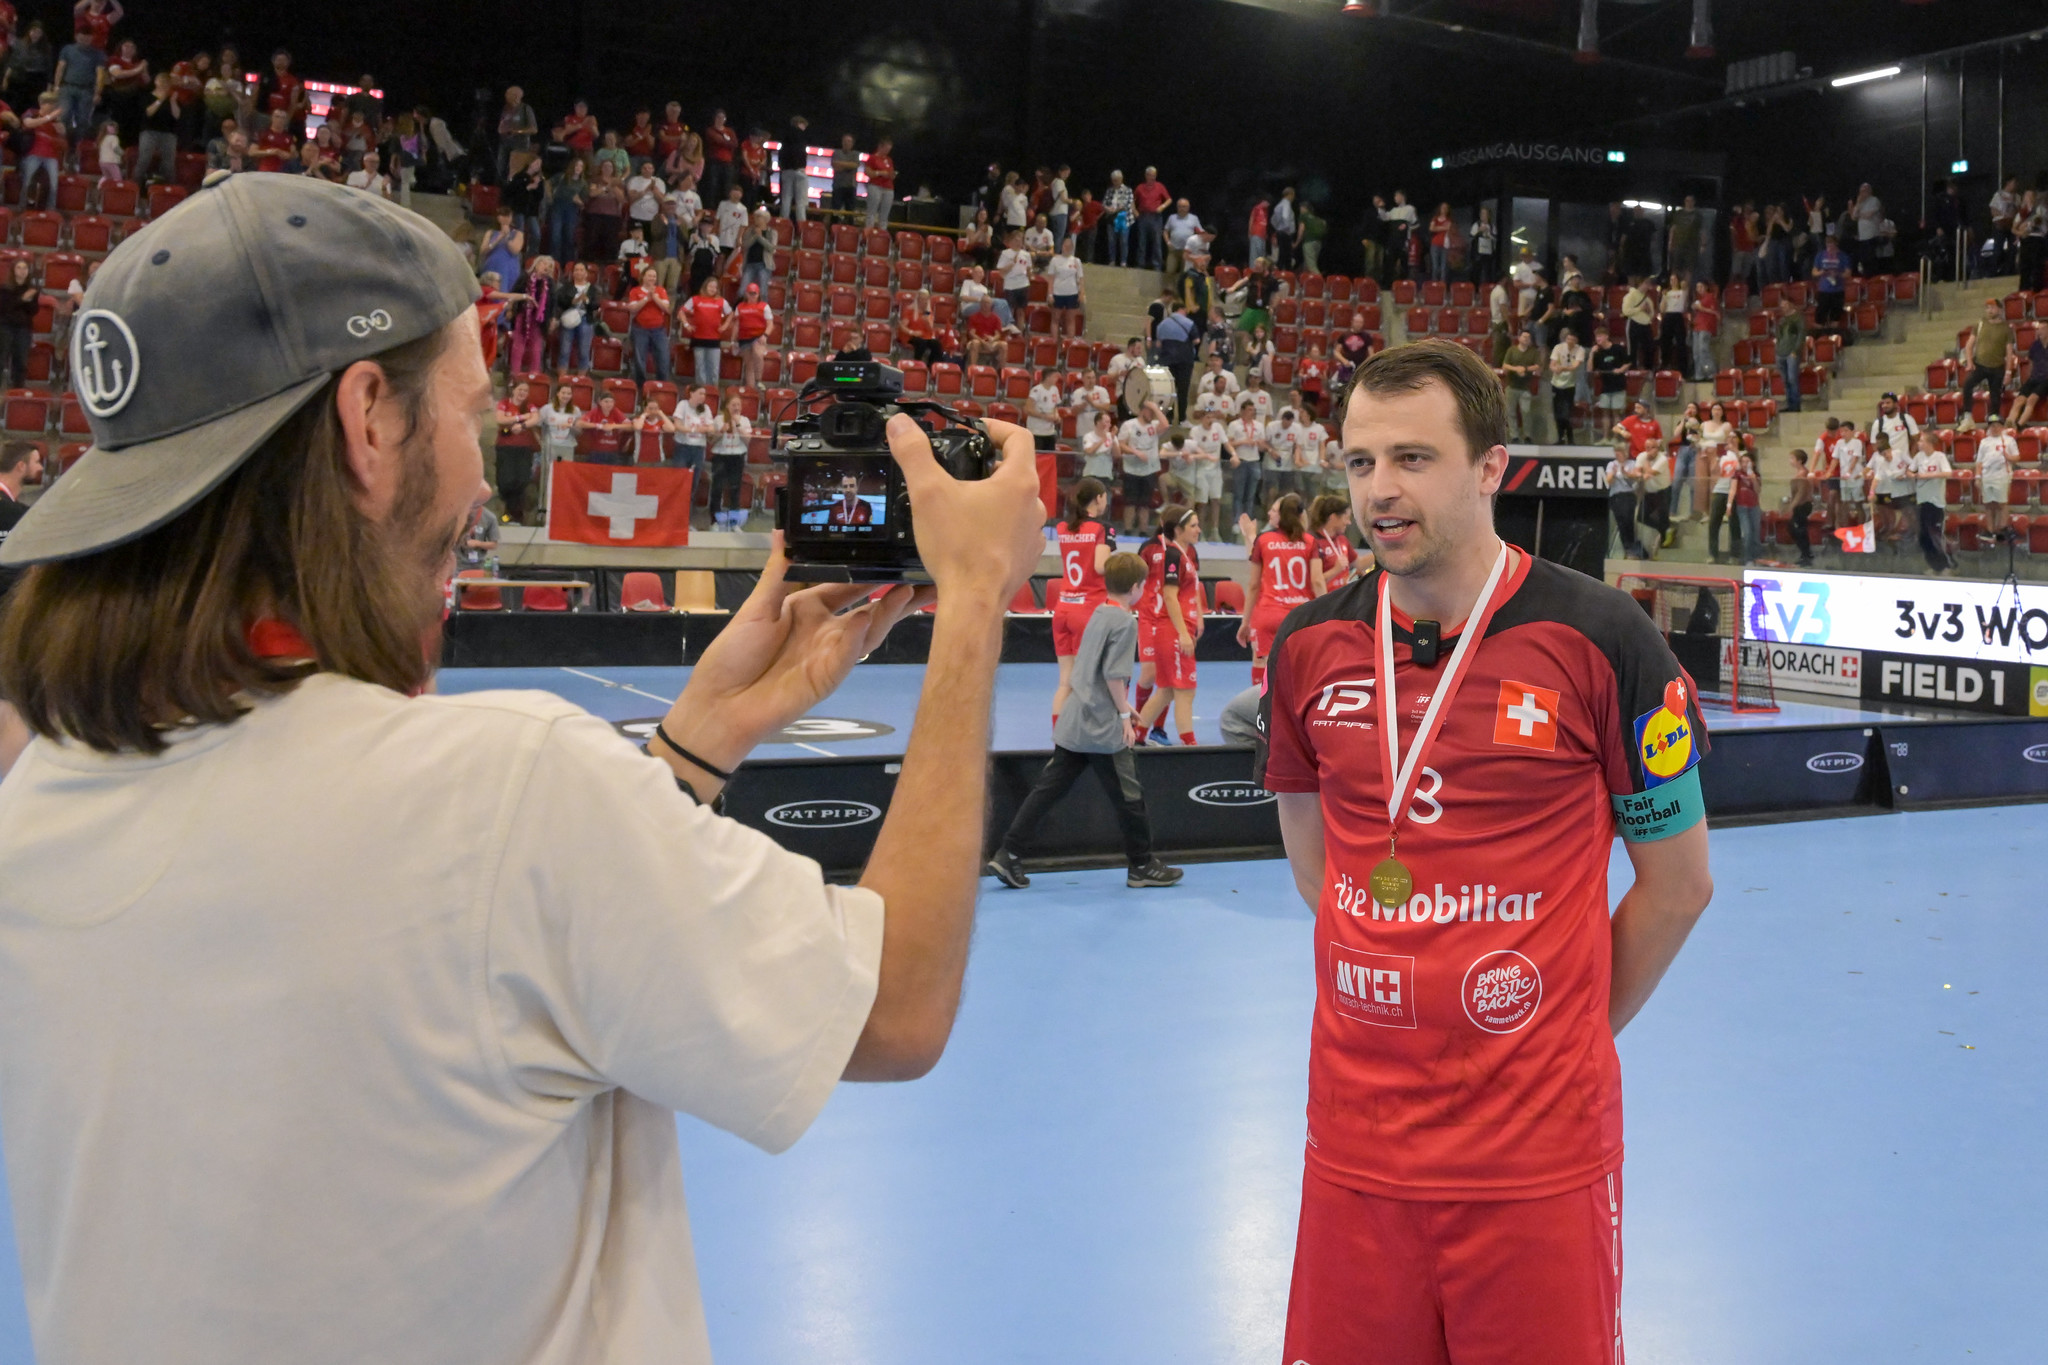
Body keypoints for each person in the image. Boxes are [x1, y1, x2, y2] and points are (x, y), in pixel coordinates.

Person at [0, 170, 1055, 1365]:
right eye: (473, 413)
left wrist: (694, 742)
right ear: (369, 420)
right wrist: (974, 598)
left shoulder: (37, 803)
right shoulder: (507, 788)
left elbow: (461, 952)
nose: (478, 475)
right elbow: (896, 1005)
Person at [1257, 338, 1712, 1365]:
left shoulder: (1604, 640)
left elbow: (1679, 886)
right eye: (1360, 461)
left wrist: (1556, 1035)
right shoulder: (1307, 648)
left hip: (1535, 1157)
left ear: (1490, 468)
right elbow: (1320, 872)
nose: (1379, 489)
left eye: (1412, 458)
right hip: (1356, 1149)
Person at [987, 550, 1184, 891]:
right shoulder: (1125, 622)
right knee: (1130, 795)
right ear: (1136, 588)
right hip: (1103, 726)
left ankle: (1009, 853)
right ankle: (1141, 865)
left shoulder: (1099, 612)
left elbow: (1093, 668)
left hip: (1076, 717)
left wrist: (1124, 704)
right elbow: (1113, 674)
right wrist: (1124, 713)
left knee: (1047, 790)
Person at [1134, 505, 1204, 747]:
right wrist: (1183, 634)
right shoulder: (1173, 555)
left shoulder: (1184, 554)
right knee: (1185, 690)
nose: (1199, 530)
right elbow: (1170, 596)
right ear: (1178, 529)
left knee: (1165, 690)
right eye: (1193, 525)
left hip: (1175, 628)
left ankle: (1137, 736)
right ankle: (1190, 745)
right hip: (1173, 630)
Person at [1239, 491, 1324, 689]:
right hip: (1300, 615)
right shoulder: (1310, 542)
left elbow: (1253, 585)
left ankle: (1261, 706)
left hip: (1269, 613)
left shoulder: (1264, 540)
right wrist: (1328, 613)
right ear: (1301, 515)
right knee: (1301, 670)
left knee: (1264, 667)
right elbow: (1317, 581)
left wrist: (1245, 621)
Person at [1050, 477, 1114, 723]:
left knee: (1065, 682)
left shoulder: (1063, 527)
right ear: (1098, 498)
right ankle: (1084, 733)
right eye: (1105, 496)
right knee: (1088, 680)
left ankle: (1059, 736)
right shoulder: (1102, 528)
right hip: (1088, 610)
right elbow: (1100, 566)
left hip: (1063, 607)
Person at [1961, 298, 2017, 425]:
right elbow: (1969, 345)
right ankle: (1967, 415)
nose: (1989, 310)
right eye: (1987, 308)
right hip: (1980, 364)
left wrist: (2008, 372)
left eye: (1992, 307)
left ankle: (1993, 420)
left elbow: (2009, 353)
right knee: (1967, 385)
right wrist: (1969, 362)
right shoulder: (1980, 324)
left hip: (1997, 366)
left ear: (2000, 309)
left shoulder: (2006, 328)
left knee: (1995, 395)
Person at [493, 379, 542, 523]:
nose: (522, 393)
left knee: (522, 480)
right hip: (505, 448)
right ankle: (510, 514)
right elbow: (500, 419)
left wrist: (522, 426)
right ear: (513, 390)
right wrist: (521, 417)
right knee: (506, 481)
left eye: (525, 391)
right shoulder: (504, 403)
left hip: (524, 448)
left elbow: (535, 419)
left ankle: (512, 515)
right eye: (520, 389)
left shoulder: (530, 406)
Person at [0, 440, 44, 600]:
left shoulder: (17, 510)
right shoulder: (15, 513)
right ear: (21, 466)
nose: (41, 468)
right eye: (37, 462)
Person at [1118, 399, 1167, 536]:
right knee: (1130, 502)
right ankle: (1128, 530)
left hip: (1149, 470)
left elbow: (1165, 425)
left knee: (1145, 503)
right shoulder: (1129, 425)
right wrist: (1135, 452)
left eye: (1153, 412)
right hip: (1131, 469)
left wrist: (1156, 408)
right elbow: (1121, 445)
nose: (1152, 414)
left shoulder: (1154, 425)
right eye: (1149, 411)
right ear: (1142, 411)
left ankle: (1143, 531)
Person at [706, 390, 754, 530]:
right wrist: (721, 431)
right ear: (727, 406)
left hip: (737, 457)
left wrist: (738, 425)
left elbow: (748, 441)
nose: (736, 408)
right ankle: (715, 521)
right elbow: (711, 441)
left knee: (735, 489)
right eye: (733, 405)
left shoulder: (744, 420)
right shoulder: (718, 419)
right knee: (717, 489)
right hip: (721, 456)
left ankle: (734, 523)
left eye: (738, 405)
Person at [1910, 431, 1954, 573]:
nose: (1919, 443)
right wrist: (1913, 475)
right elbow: (1910, 471)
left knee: (1935, 535)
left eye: (1921, 441)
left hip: (1936, 501)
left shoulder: (1939, 457)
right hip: (1922, 499)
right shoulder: (1918, 457)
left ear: (1929, 443)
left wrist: (1928, 475)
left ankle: (1946, 565)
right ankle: (1934, 565)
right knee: (1924, 536)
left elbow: (1948, 473)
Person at [622, 264, 673, 386]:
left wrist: (654, 297)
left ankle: (662, 385)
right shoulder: (635, 291)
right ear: (643, 277)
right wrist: (646, 299)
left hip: (658, 330)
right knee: (639, 359)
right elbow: (633, 309)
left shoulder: (661, 290)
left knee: (663, 358)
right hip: (640, 329)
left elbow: (667, 309)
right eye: (649, 276)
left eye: (654, 276)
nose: (652, 278)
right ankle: (640, 385)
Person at [1701, 402, 1738, 563]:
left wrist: (1736, 452)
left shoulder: (1742, 454)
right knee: (1713, 524)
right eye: (1729, 439)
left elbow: (1742, 469)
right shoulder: (1721, 455)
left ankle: (1735, 555)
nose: (1730, 441)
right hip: (1720, 490)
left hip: (1734, 492)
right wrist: (1713, 458)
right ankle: (1712, 554)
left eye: (1733, 439)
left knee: (1734, 524)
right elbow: (1715, 471)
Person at [682, 275, 730, 392]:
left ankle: (713, 392)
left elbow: (731, 314)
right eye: (710, 286)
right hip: (698, 338)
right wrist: (687, 325)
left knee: (714, 368)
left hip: (714, 339)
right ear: (705, 287)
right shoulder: (695, 299)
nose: (712, 289)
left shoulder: (721, 301)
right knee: (700, 367)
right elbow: (681, 312)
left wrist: (725, 326)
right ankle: (701, 391)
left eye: (715, 287)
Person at [728, 278, 774, 391]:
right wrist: (733, 341)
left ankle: (758, 380)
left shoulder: (764, 306)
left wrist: (765, 335)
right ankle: (751, 390)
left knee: (758, 353)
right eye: (750, 293)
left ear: (758, 294)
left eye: (754, 293)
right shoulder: (740, 307)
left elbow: (770, 324)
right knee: (749, 364)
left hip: (758, 335)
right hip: (744, 337)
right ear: (746, 294)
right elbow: (737, 325)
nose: (752, 296)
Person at [1604, 435, 1645, 559]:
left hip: (1628, 494)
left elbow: (1637, 477)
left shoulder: (1632, 464)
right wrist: (1613, 473)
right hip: (1616, 495)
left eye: (1619, 452)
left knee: (1628, 520)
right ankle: (1627, 547)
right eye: (1616, 452)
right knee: (1621, 521)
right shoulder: (1612, 464)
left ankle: (1632, 546)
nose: (1617, 454)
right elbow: (1608, 481)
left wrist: (1626, 474)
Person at [1977, 417, 2017, 544]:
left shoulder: (2009, 440)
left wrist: (2008, 456)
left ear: (2002, 427)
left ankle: (2002, 528)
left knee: (2002, 503)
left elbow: (2017, 457)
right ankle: (1990, 530)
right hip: (1987, 475)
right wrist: (1978, 477)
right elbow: (1979, 461)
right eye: (1992, 426)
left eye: (1997, 425)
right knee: (1988, 504)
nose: (1995, 428)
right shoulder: (1984, 442)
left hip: (2002, 475)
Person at [1500, 330, 1543, 442]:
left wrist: (1525, 369)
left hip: (1525, 387)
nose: (1526, 339)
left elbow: (1537, 366)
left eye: (1528, 337)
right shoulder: (1512, 350)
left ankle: (1527, 435)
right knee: (1510, 412)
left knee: (1526, 412)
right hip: (1512, 386)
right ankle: (1514, 435)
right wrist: (1517, 369)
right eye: (1524, 337)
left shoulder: (1533, 352)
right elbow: (1505, 365)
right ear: (1519, 338)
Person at [1045, 235, 1086, 344]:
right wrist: (1050, 294)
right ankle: (1054, 342)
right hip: (1057, 293)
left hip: (1072, 293)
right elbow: (1051, 279)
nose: (1067, 248)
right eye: (1065, 246)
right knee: (1055, 318)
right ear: (1062, 246)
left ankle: (1069, 344)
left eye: (1069, 246)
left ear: (1072, 248)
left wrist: (1081, 293)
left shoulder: (1076, 261)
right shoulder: (1055, 260)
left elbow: (1080, 278)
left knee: (1070, 319)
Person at [1548, 328, 1585, 446]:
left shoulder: (1580, 350)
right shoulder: (1558, 348)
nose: (1569, 341)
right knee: (1557, 412)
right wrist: (1555, 369)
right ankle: (1560, 437)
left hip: (1569, 385)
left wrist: (1562, 368)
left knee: (1567, 413)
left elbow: (1574, 366)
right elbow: (1552, 365)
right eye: (1568, 339)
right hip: (1556, 384)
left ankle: (1570, 438)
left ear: (1576, 341)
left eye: (1572, 340)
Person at [577, 389, 631, 466]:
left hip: (613, 452)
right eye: (606, 401)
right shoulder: (595, 412)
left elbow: (631, 426)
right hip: (597, 452)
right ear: (600, 402)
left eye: (611, 402)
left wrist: (614, 426)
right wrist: (600, 426)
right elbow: (579, 423)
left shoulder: (615, 412)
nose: (609, 404)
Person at [1132, 166, 1170, 271]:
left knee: (1157, 241)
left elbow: (1169, 200)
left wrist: (1162, 206)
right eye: (1150, 175)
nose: (1152, 177)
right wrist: (1134, 211)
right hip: (1143, 216)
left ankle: (1157, 265)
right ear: (1146, 176)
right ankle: (1140, 264)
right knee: (1142, 241)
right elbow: (1132, 200)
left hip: (1155, 217)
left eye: (1154, 175)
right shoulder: (1140, 187)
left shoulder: (1160, 186)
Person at [864, 137, 896, 228]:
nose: (887, 152)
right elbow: (868, 172)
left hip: (888, 188)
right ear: (880, 147)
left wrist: (891, 175)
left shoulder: (889, 160)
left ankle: (882, 232)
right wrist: (880, 173)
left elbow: (891, 172)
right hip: (875, 186)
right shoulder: (872, 158)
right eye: (886, 149)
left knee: (884, 215)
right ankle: (869, 231)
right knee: (872, 212)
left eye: (889, 150)